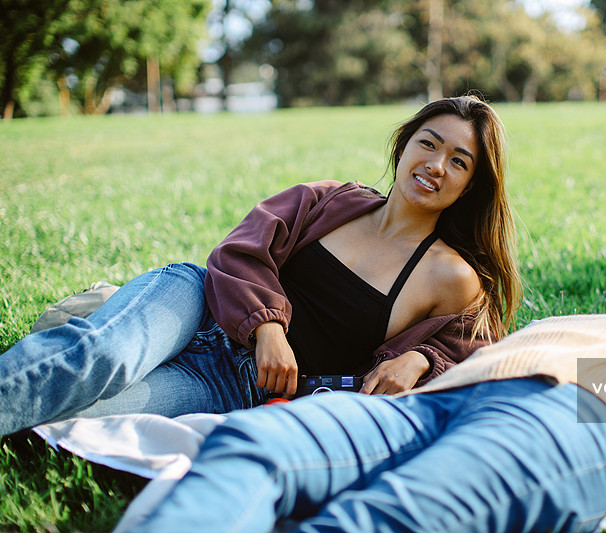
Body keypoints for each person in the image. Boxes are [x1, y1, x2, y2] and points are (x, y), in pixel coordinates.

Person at [0, 95, 521, 437]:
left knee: (77, 418)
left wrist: (423, 361)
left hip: (233, 387)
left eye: (459, 160)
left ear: (471, 185)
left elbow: (478, 354)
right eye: (428, 144)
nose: (435, 165)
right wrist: (268, 327)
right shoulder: (327, 200)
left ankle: (87, 320)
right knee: (102, 357)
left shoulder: (449, 276)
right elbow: (238, 252)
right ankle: (94, 329)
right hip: (195, 304)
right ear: (403, 144)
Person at [118, 283, 606, 533]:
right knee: (254, 443)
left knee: (375, 520)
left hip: (573, 415)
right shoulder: (561, 326)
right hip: (437, 404)